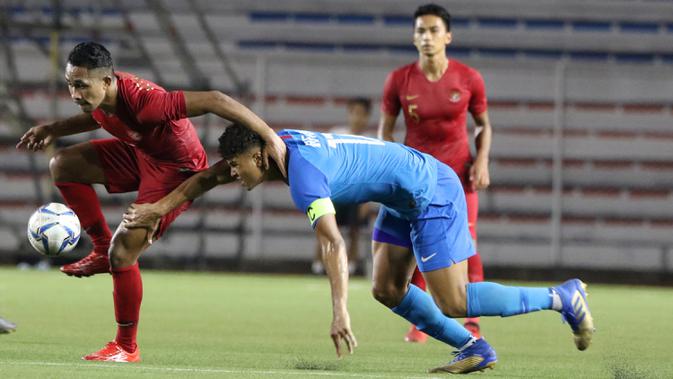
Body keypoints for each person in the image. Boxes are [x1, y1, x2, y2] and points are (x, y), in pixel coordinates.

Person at [124, 125, 594, 374]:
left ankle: (562, 297)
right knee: (388, 289)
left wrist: (339, 311)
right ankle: (474, 348)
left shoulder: (302, 176)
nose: (234, 173)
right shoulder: (277, 148)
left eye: (239, 166)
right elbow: (206, 177)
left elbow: (331, 243)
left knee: (454, 299)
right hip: (401, 193)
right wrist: (155, 209)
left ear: (260, 157)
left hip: (431, 190)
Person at [16, 42, 286, 362]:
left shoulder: (148, 104)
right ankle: (100, 249)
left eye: (81, 86)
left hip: (176, 170)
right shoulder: (101, 97)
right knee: (62, 165)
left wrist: (269, 135)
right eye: (70, 85)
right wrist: (52, 128)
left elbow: (215, 99)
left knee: (124, 250)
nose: (74, 94)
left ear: (107, 82)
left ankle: (126, 346)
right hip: (143, 154)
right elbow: (99, 116)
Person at [378, 3, 492, 342]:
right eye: (420, 31)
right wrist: (393, 171)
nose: (426, 37)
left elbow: (483, 126)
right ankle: (422, 320)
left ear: (448, 36)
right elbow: (385, 132)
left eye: (433, 30)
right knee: (416, 246)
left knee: (465, 245)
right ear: (414, 38)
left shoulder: (468, 78)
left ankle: (472, 320)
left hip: (458, 175)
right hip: (418, 179)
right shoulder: (399, 79)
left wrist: (483, 159)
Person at [312, 97, 374, 275]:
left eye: (362, 114)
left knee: (354, 231)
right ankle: (319, 264)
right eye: (354, 113)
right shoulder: (336, 135)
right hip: (335, 192)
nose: (358, 118)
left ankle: (351, 265)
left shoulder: (370, 141)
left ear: (368, 117)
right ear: (349, 114)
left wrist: (366, 201)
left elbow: (369, 175)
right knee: (327, 227)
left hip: (356, 194)